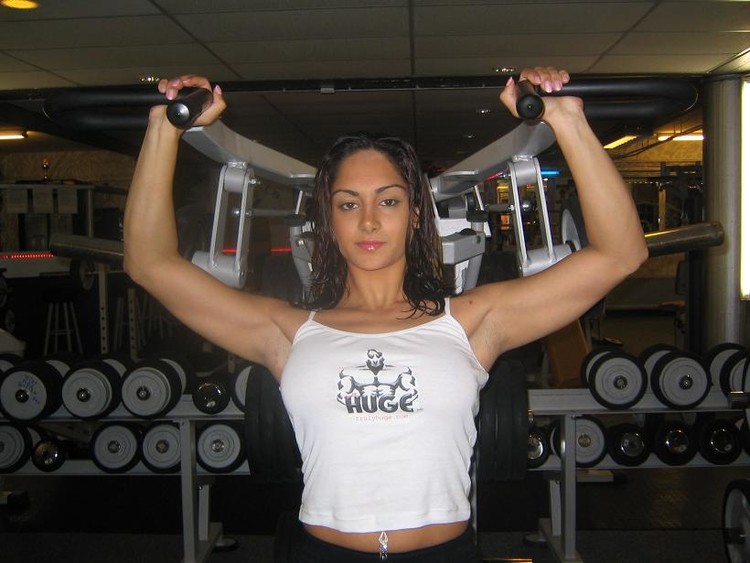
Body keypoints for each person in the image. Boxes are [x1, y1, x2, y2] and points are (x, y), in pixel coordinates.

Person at [123, 67, 648, 562]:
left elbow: (620, 254)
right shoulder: (287, 333)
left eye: (389, 201)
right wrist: (164, 128)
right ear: (329, 220)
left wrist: (567, 120)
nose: (369, 221)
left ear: (416, 215)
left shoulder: (471, 324)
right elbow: (150, 264)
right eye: (349, 204)